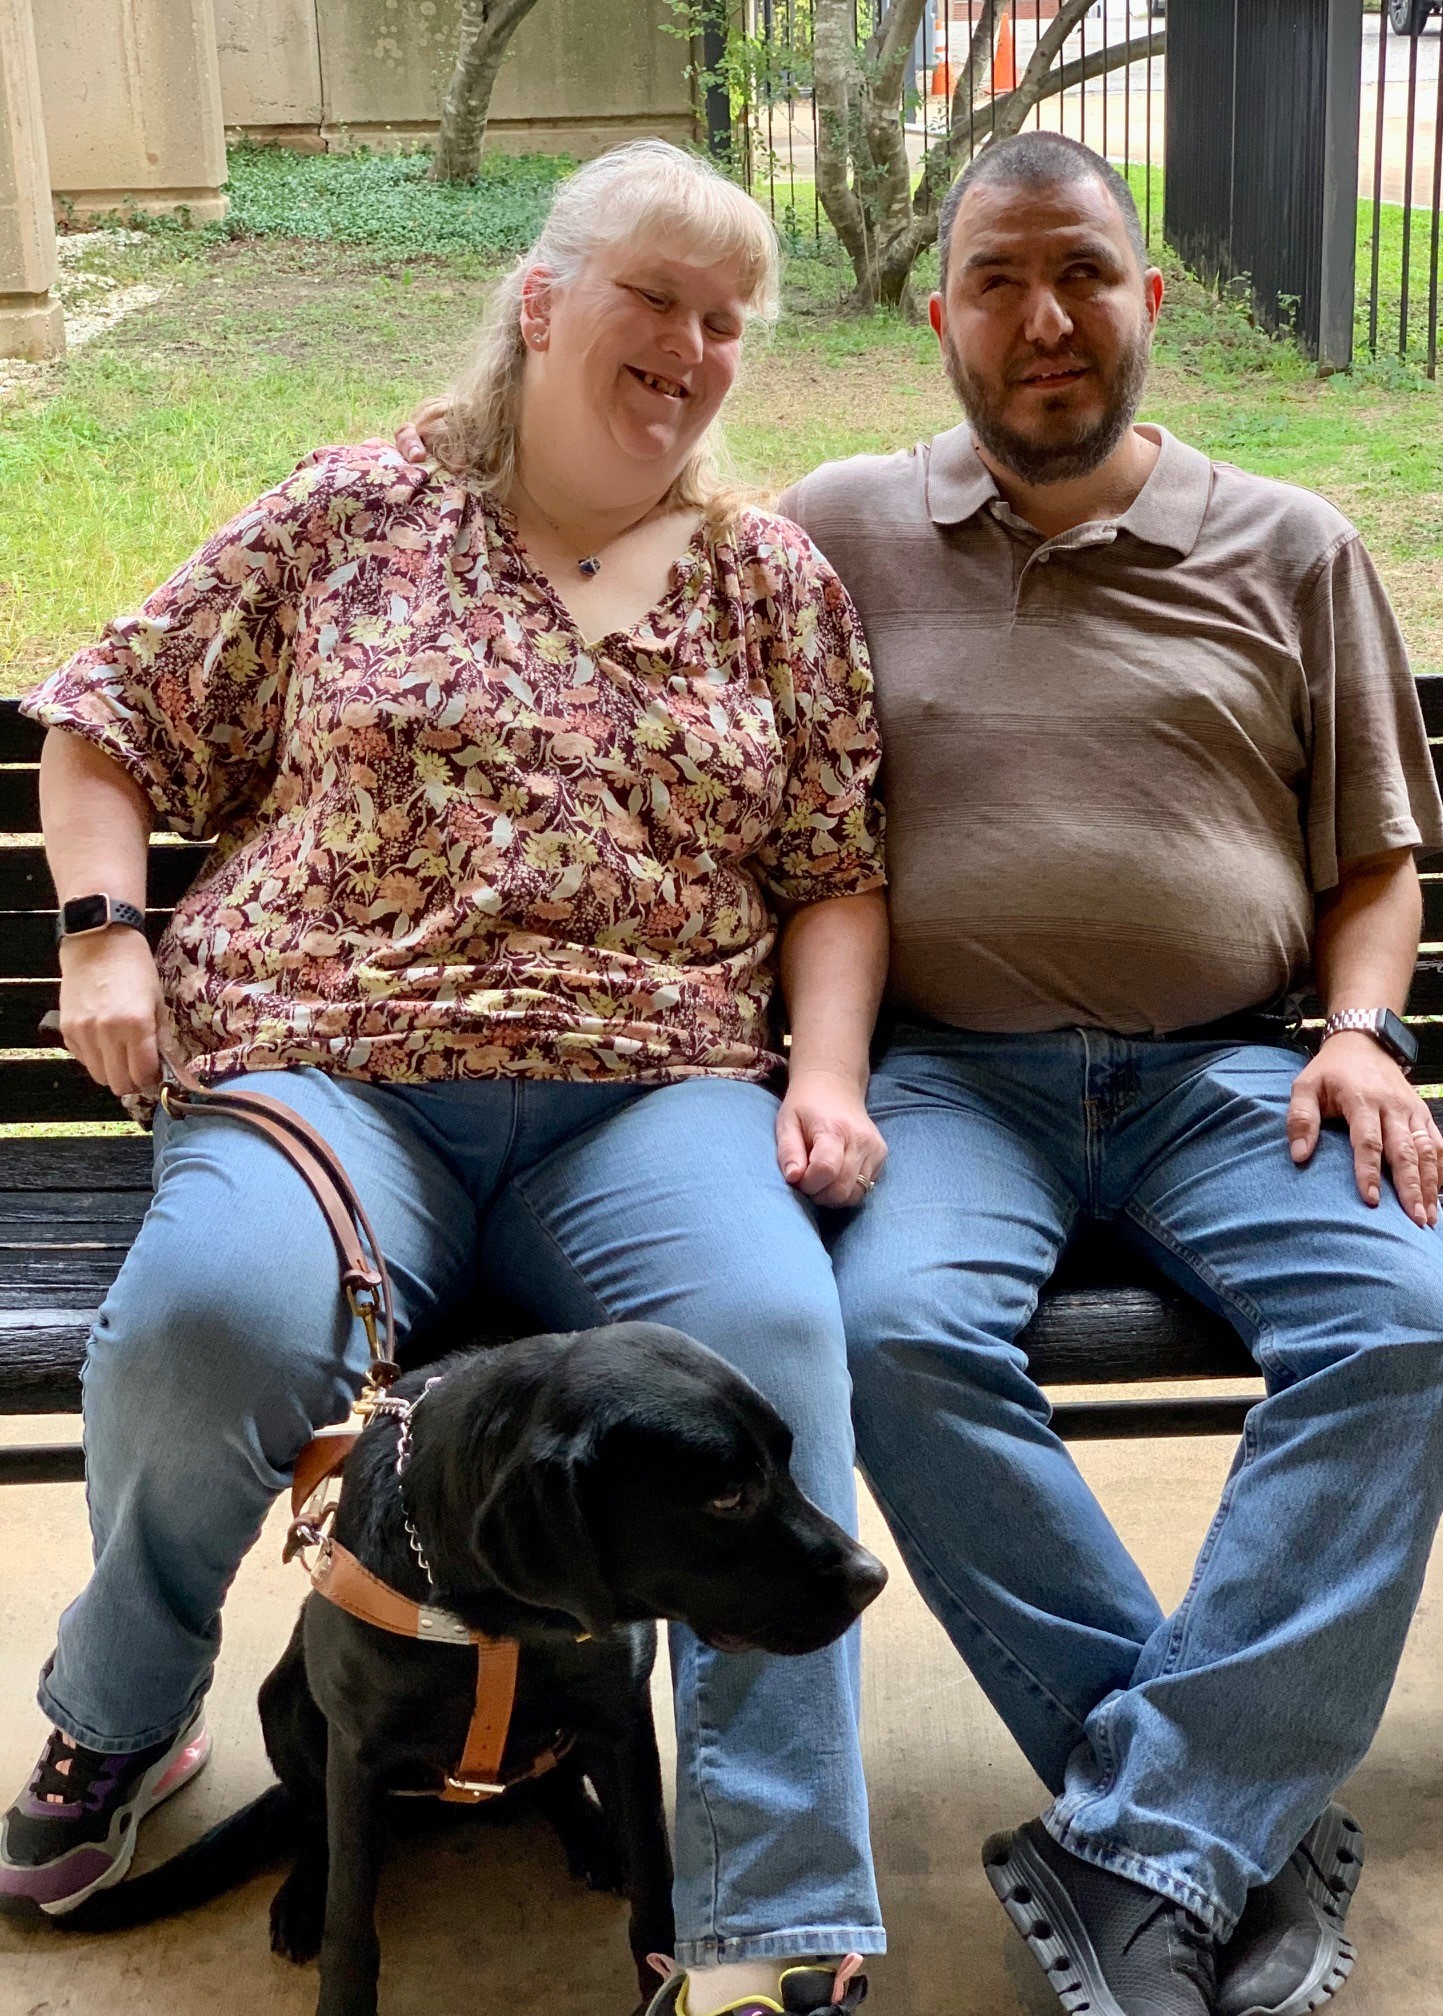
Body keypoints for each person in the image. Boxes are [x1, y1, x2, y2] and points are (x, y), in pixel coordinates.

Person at [1, 142, 891, 2016]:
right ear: (544, 297)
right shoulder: (354, 512)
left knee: (771, 1344)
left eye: (729, 321)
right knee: (205, 1328)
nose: (693, 347)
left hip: (652, 1092)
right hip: (340, 1074)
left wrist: (823, 1074)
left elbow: (831, 867)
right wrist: (102, 927)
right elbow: (110, 717)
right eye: (657, 297)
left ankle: (767, 1896)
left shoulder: (771, 580)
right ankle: (123, 1717)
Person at [773, 134, 1443, 2016]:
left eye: (1083, 272)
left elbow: (1374, 859)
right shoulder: (831, 529)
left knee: (1411, 1331)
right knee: (891, 1340)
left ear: (1149, 298)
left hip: (1237, 1075)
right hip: (949, 1088)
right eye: (997, 280)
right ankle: (1206, 1831)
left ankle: (1146, 1846)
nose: (1044, 319)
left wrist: (1360, 1031)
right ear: (939, 318)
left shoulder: (1293, 542)